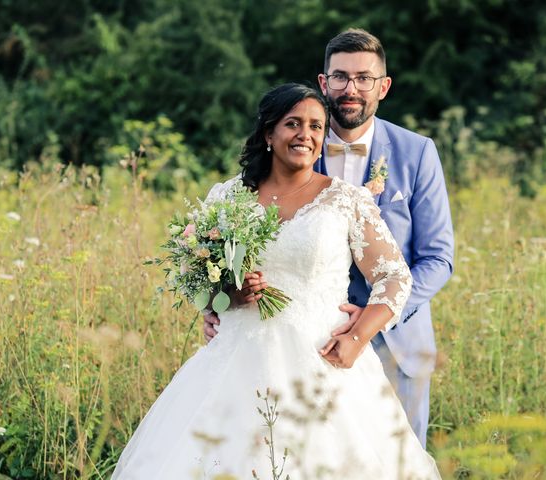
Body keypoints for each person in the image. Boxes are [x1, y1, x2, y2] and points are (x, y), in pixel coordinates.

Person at [112, 83, 441, 479]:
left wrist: (357, 337)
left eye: (317, 126)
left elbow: (393, 276)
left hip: (323, 361)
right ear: (269, 133)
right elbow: (203, 279)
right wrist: (228, 296)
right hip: (237, 359)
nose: (306, 134)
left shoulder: (346, 200)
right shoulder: (227, 198)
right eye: (293, 124)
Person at [204, 29, 454, 448]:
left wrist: (372, 315)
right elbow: (231, 254)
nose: (351, 88)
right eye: (340, 77)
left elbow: (437, 258)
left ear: (383, 86)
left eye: (364, 78)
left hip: (395, 342)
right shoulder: (295, 143)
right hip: (290, 344)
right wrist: (219, 302)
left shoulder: (418, 152)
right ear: (324, 82)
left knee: (391, 461)